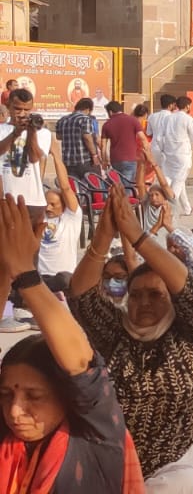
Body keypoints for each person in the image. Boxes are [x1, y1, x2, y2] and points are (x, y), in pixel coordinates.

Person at [67, 181, 193, 492]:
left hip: (177, 460)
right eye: (136, 295)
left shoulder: (189, 332)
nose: (143, 304)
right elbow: (81, 296)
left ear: (172, 298)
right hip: (116, 457)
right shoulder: (115, 331)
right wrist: (102, 238)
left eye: (156, 295)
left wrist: (137, 235)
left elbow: (189, 290)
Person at [0, 195, 142, 492]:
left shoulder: (94, 434)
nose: (15, 411)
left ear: (68, 396)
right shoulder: (8, 436)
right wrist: (5, 270)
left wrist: (26, 275)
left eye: (34, 396)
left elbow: (80, 365)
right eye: (6, 395)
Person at [1, 138, 84, 332]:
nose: (48, 207)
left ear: (64, 206)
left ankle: (40, 306)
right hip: (40, 280)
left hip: (61, 279)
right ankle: (26, 309)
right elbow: (35, 183)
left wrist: (55, 154)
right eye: (46, 203)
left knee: (64, 280)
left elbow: (65, 187)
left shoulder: (72, 218)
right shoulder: (39, 220)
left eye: (54, 204)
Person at [0, 89, 52, 222]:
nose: (22, 114)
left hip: (33, 200)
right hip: (5, 199)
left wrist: (31, 132)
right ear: (8, 106)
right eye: (17, 109)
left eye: (27, 110)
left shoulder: (43, 133)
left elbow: (34, 158)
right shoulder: (2, 129)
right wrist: (16, 133)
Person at [55, 97, 100, 178]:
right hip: (84, 161)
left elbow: (58, 137)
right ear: (87, 109)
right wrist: (94, 155)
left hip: (68, 161)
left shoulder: (62, 120)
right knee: (90, 186)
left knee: (74, 187)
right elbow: (87, 138)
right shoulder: (85, 119)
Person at [101, 101, 142, 184]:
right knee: (128, 186)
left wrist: (104, 161)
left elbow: (103, 146)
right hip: (130, 158)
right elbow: (143, 138)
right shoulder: (133, 120)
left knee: (117, 186)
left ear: (110, 112)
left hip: (115, 160)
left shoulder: (107, 124)